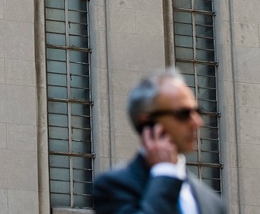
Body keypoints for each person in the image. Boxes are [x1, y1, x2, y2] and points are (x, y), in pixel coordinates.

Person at [93, 69, 226, 214]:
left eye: (197, 112)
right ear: (148, 122)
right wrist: (165, 172)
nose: (197, 122)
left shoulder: (212, 202)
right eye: (183, 114)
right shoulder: (112, 187)